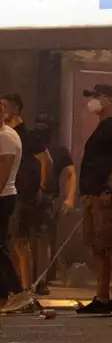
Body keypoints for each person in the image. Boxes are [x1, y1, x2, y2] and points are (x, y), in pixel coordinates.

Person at [75, 85, 112, 314]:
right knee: (96, 246)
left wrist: (109, 188)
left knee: (110, 245)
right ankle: (102, 296)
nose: (91, 101)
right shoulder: (102, 126)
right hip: (93, 195)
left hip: (109, 197)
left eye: (95, 96)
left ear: (109, 99)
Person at [0, 93, 52, 299]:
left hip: (19, 194)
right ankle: (13, 289)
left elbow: (46, 161)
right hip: (14, 192)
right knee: (11, 244)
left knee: (20, 242)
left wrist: (40, 186)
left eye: (3, 106)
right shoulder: (9, 134)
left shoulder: (21, 136)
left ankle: (22, 288)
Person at [34, 114, 77, 288]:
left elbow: (70, 174)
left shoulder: (59, 150)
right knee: (28, 241)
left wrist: (70, 198)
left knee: (44, 240)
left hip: (47, 198)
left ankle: (41, 279)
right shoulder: (29, 144)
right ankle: (33, 278)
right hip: (29, 196)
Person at [0, 100, 24, 307]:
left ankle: (17, 291)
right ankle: (5, 293)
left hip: (3, 196)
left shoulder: (5, 137)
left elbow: (4, 172)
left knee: (1, 247)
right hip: (5, 195)